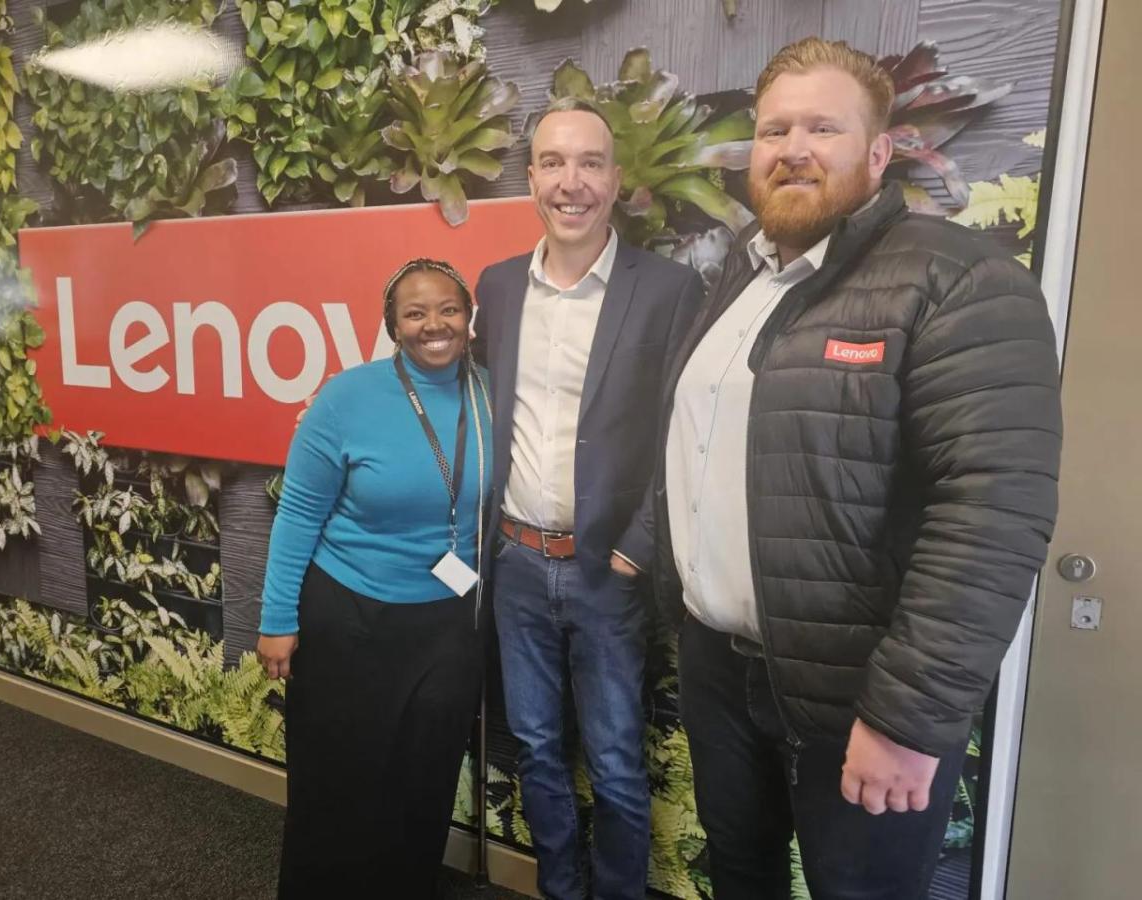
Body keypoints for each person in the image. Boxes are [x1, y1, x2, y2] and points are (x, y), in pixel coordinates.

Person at [648, 37, 1062, 899]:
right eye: (773, 130)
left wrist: (906, 718)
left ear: (877, 153)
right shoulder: (741, 277)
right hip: (723, 669)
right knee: (741, 878)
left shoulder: (959, 279)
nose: (793, 148)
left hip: (859, 695)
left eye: (822, 127)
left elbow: (992, 513)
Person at [471, 97, 704, 899]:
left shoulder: (670, 289)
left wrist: (641, 543)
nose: (571, 182)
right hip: (518, 566)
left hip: (611, 570)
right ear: (531, 176)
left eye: (590, 163)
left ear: (617, 179)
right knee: (536, 747)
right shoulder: (497, 288)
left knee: (614, 763)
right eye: (553, 163)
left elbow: (689, 427)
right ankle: (559, 890)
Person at [255, 259, 493, 899]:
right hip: (349, 618)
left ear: (469, 319)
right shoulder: (346, 397)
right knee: (337, 783)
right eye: (415, 313)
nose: (433, 325)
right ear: (392, 324)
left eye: (448, 309)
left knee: (423, 783)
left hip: (448, 627)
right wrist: (277, 621)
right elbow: (299, 511)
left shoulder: (490, 394)